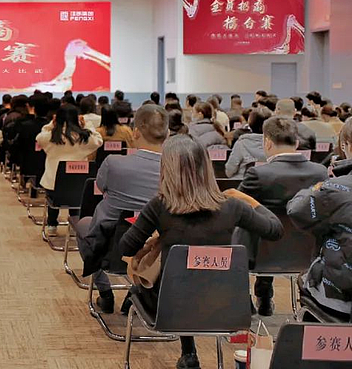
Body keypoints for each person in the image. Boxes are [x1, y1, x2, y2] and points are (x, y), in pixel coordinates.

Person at [120, 135, 283, 369]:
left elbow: (125, 248)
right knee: (195, 280)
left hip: (169, 307)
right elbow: (275, 230)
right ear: (206, 167)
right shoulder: (233, 206)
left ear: (167, 169)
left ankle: (189, 353)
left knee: (168, 281)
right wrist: (248, 200)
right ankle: (188, 352)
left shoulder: (159, 206)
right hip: (227, 305)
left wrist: (157, 236)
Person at [77, 105, 168, 313]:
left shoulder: (114, 163)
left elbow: (100, 186)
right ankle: (135, 293)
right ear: (168, 134)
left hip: (108, 245)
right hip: (154, 248)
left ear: (135, 132)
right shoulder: (175, 169)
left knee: (83, 225)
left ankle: (105, 292)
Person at [233, 116, 327, 315]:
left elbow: (236, 208)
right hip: (308, 254)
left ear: (267, 142)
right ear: (297, 143)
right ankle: (266, 294)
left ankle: (254, 296)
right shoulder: (320, 173)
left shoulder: (258, 175)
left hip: (261, 256)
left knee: (254, 225)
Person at [288, 120, 352, 321]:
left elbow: (297, 211)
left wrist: (321, 186)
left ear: (346, 145)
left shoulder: (334, 189)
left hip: (341, 299)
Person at [36, 105, 103, 234]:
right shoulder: (84, 137)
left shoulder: (51, 136)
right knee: (76, 199)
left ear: (57, 119)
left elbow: (39, 137)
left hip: (53, 184)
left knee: (54, 199)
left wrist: (51, 124)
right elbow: (98, 140)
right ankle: (75, 225)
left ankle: (52, 225)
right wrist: (87, 125)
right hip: (78, 184)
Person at [224, 107, 272, 179]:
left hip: (242, 182)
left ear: (250, 123)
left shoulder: (241, 143)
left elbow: (230, 170)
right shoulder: (277, 144)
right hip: (269, 181)